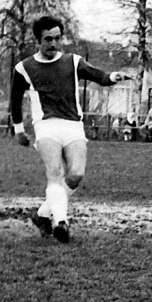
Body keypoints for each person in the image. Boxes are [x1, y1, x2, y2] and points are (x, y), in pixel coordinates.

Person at [8, 15, 131, 243]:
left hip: (73, 126)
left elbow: (100, 76)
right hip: (46, 126)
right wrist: (18, 130)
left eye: (57, 38)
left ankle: (42, 214)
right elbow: (14, 101)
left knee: (76, 175)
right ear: (38, 40)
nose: (53, 43)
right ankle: (61, 223)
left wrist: (115, 76)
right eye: (48, 39)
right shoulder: (24, 68)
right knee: (55, 173)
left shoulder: (73, 62)